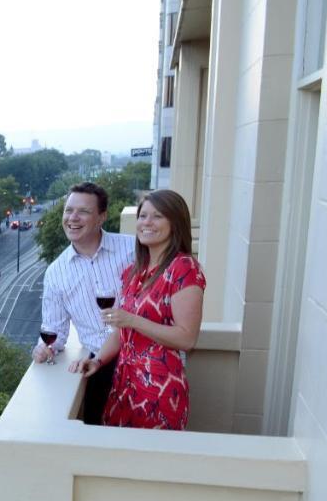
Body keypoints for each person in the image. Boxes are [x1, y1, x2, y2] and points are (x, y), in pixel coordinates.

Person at [80, 189, 205, 430]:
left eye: (157, 216)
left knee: (150, 465)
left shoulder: (184, 268)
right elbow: (121, 330)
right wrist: (98, 360)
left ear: (175, 222)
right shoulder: (134, 271)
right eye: (142, 216)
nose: (146, 223)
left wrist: (133, 320)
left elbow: (187, 338)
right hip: (123, 385)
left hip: (159, 389)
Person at [34, 182, 136, 424]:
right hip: (98, 368)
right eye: (68, 211)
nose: (73, 218)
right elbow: (54, 331)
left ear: (102, 216)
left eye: (84, 211)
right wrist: (42, 347)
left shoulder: (133, 249)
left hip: (143, 359)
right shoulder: (56, 272)